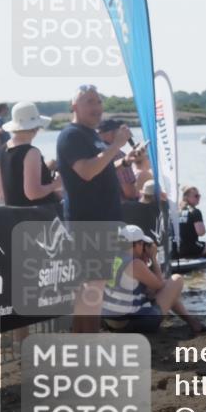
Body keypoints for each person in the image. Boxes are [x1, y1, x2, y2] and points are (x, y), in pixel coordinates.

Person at [57, 84, 128, 332]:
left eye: (98, 101)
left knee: (94, 285)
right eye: (89, 101)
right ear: (74, 106)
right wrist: (116, 145)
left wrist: (119, 155)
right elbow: (86, 171)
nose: (96, 107)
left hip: (103, 219)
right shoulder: (71, 135)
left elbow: (99, 168)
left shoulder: (92, 135)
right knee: (91, 286)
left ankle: (85, 341)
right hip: (87, 220)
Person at [101, 225, 203, 334]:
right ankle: (193, 323)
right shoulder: (135, 264)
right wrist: (154, 258)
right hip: (128, 325)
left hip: (109, 321)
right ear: (137, 244)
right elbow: (159, 285)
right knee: (176, 280)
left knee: (165, 290)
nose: (144, 246)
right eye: (142, 244)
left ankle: (192, 322)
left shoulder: (113, 257)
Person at [0, 102, 61, 210]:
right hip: (37, 218)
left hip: (15, 217)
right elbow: (33, 193)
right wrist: (56, 184)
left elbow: (0, 192)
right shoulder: (31, 152)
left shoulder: (3, 149)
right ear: (36, 127)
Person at [98, 119, 140, 201]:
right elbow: (129, 192)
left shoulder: (93, 152)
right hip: (120, 207)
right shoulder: (118, 155)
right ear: (111, 133)